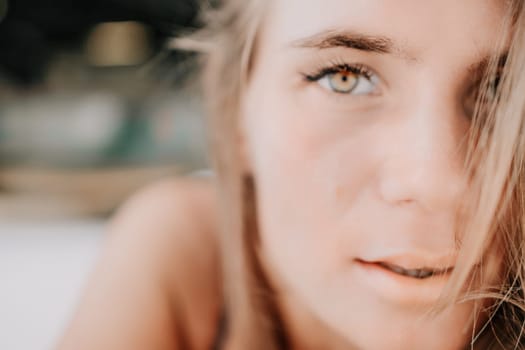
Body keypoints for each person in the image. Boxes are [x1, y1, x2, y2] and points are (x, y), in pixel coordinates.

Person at [58, 0, 525, 349]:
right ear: (233, 106)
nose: (438, 184)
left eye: (503, 90)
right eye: (344, 77)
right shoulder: (189, 252)